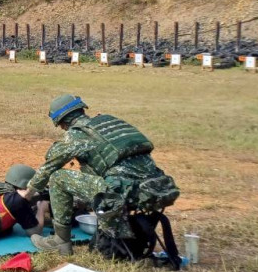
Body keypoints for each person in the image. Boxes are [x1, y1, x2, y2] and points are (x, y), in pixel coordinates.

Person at [27, 95, 180, 256]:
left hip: (121, 193)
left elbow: (49, 166)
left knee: (58, 178)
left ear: (62, 122)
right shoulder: (108, 123)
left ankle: (60, 241)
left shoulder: (77, 134)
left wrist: (28, 192)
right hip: (153, 188)